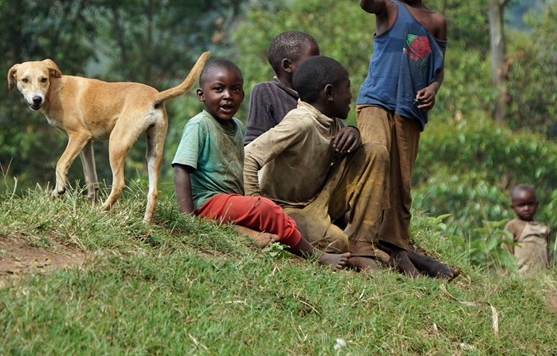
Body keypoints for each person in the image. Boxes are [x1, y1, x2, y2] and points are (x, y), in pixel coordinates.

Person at [171, 58, 350, 270]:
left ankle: (247, 233)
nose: (228, 96)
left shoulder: (237, 127)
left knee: (262, 214)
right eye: (218, 89)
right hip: (206, 202)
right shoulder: (199, 125)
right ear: (201, 95)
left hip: (229, 202)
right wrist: (187, 219)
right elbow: (181, 169)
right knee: (265, 208)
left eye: (235, 89)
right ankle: (314, 254)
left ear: (242, 95)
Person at [354, 0, 459, 279]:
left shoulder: (437, 21)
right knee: (376, 157)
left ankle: (397, 247)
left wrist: (433, 88)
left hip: (409, 110)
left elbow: (437, 67)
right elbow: (364, 2)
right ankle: (362, 239)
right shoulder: (387, 7)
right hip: (376, 101)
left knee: (402, 182)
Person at [244, 55, 403, 273]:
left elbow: (358, 165)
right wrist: (257, 208)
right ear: (328, 93)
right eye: (347, 88)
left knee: (375, 152)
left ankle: (362, 244)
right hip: (288, 209)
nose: (350, 96)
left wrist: (354, 133)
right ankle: (352, 246)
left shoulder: (331, 121)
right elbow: (249, 156)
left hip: (320, 201)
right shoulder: (300, 122)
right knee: (336, 242)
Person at [244, 31, 320, 145]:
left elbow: (336, 130)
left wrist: (351, 131)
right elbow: (253, 146)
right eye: (311, 63)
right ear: (287, 66)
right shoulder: (266, 92)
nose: (318, 67)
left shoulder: (318, 95)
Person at [503, 184, 551, 272]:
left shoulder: (544, 228)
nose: (526, 208)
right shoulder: (512, 226)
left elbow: (547, 255)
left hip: (542, 278)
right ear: (513, 207)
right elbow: (505, 253)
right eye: (521, 205)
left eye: (531, 204)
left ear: (536, 205)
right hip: (520, 279)